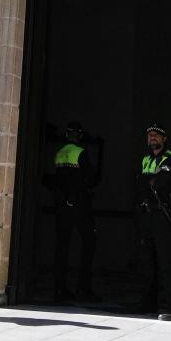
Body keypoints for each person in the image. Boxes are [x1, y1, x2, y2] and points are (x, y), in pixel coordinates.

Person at [136, 123, 171, 321]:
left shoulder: (170, 159)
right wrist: (148, 181)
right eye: (150, 135)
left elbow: (160, 183)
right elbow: (139, 184)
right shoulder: (146, 159)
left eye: (157, 135)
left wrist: (147, 181)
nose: (153, 138)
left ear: (164, 139)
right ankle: (148, 303)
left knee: (167, 263)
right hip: (146, 215)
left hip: (163, 215)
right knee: (147, 262)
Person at [51, 120, 100, 303]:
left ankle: (59, 289)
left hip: (62, 206)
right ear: (80, 135)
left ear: (66, 135)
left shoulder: (59, 153)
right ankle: (83, 289)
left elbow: (56, 180)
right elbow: (91, 178)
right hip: (80, 205)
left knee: (62, 246)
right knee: (89, 243)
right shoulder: (80, 152)